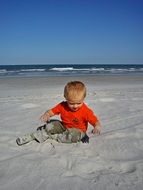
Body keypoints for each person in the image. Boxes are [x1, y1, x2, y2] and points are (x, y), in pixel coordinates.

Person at [16, 81, 101, 146]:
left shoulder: (85, 111)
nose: (75, 106)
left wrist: (97, 126)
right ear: (65, 97)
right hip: (64, 127)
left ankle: (54, 136)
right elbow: (51, 111)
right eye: (71, 103)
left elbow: (95, 120)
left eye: (79, 103)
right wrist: (47, 115)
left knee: (76, 135)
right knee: (51, 125)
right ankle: (33, 136)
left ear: (83, 98)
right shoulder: (62, 105)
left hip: (78, 131)